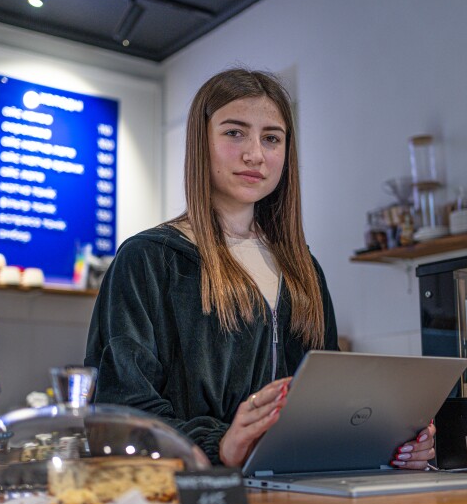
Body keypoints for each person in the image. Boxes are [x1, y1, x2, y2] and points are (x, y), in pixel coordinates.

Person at [84, 68, 434, 469]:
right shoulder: (147, 259)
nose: (255, 154)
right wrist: (220, 444)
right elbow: (119, 413)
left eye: (271, 138)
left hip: (296, 490)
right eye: (235, 133)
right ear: (201, 141)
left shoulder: (304, 268)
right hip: (195, 494)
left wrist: (388, 442)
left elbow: (328, 404)